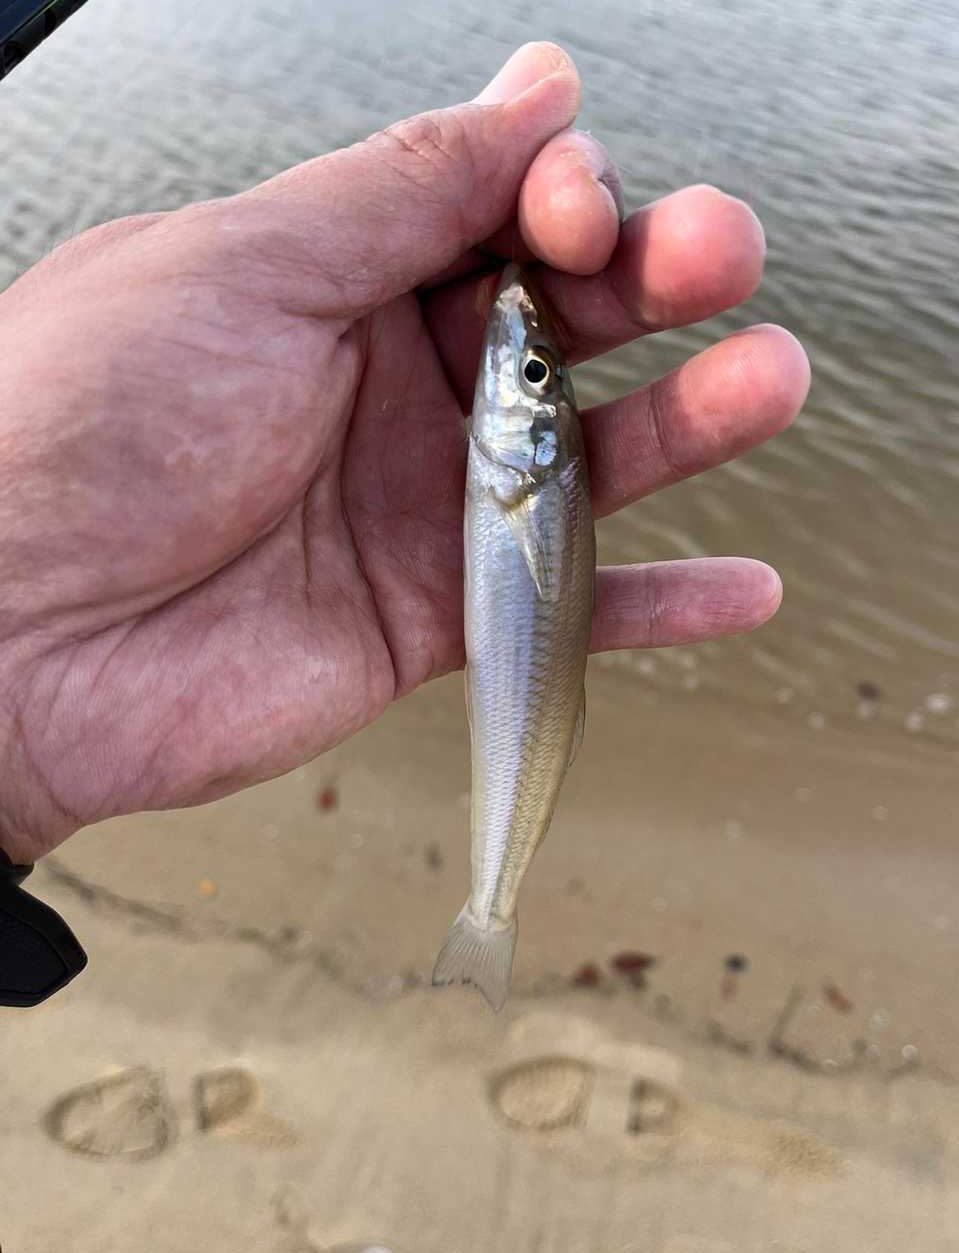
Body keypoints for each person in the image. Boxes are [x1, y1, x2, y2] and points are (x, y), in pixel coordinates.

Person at [0, 42, 809, 876]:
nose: (517, 368)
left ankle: (492, 897)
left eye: (532, 375)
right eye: (537, 372)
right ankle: (492, 895)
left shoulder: (531, 480)